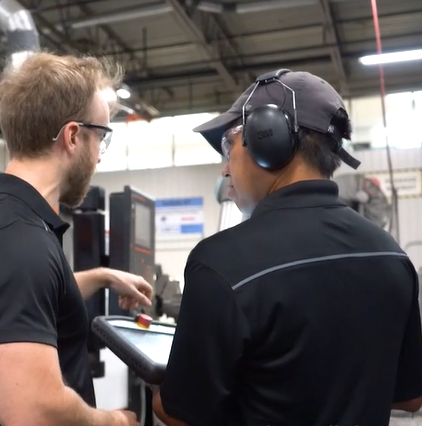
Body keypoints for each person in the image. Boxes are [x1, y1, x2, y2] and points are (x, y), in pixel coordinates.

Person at [152, 69, 422, 426]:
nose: (224, 170)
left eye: (226, 146)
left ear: (267, 138)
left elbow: (182, 415)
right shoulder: (391, 256)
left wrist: (158, 388)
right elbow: (410, 397)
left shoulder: (219, 262)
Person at [0, 52, 152, 426]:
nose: (99, 159)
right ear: (73, 137)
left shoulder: (4, 222)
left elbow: (34, 296)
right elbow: (34, 412)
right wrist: (114, 421)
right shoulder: (21, 244)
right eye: (100, 138)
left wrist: (104, 276)